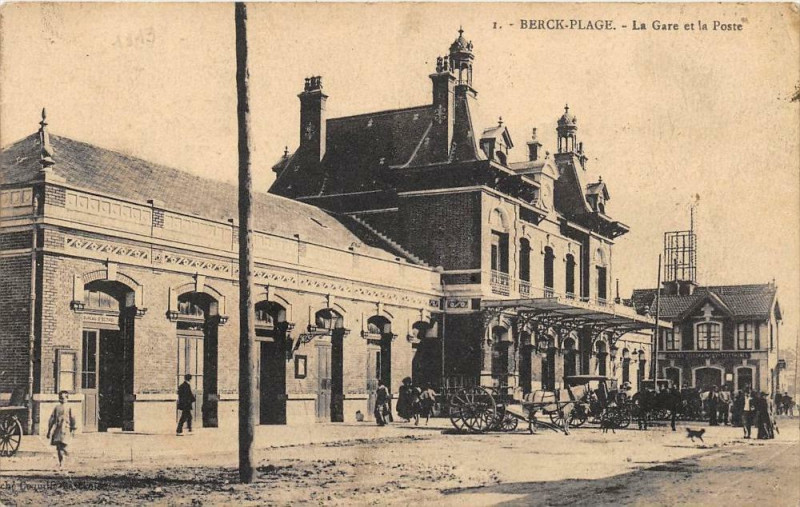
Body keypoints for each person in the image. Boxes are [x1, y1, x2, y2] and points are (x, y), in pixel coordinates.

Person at [46, 390, 76, 468]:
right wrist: (49, 431)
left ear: (67, 398)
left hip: (66, 428)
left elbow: (73, 418)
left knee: (63, 445)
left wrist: (73, 428)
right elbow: (52, 419)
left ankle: (69, 457)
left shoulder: (69, 407)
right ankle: (61, 463)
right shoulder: (57, 407)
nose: (61, 400)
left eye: (63, 398)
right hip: (58, 428)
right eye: (60, 398)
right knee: (58, 447)